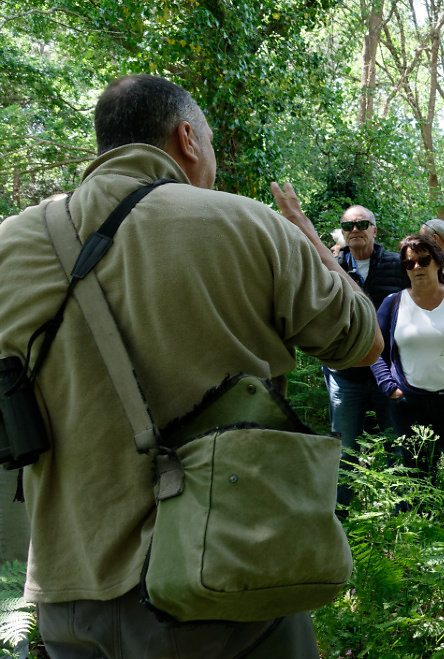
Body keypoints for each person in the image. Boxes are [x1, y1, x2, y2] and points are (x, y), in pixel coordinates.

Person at [0, 74, 383, 658]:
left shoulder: (10, 246)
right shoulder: (247, 224)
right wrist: (307, 236)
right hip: (226, 578)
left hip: (67, 591)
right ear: (187, 139)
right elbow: (362, 343)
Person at [371, 234, 444, 505]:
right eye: (409, 263)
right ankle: (417, 540)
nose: (416, 267)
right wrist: (389, 387)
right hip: (409, 405)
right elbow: (374, 349)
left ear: (438, 262)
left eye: (423, 260)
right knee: (414, 481)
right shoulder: (393, 303)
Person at [323, 205, 409, 508]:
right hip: (346, 373)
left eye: (362, 225)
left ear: (375, 229)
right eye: (348, 227)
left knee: (396, 444)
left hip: (390, 373)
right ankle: (340, 515)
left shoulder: (398, 265)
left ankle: (404, 517)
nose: (355, 231)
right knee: (344, 449)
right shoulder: (330, 266)